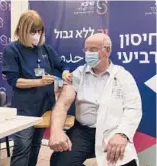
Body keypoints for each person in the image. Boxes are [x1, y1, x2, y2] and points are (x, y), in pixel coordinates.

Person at [49, 33, 142, 166]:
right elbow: (62, 104)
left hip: (113, 131)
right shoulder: (78, 74)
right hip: (83, 131)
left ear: (107, 50)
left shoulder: (123, 77)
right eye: (86, 50)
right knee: (60, 163)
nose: (88, 54)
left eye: (93, 50)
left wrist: (122, 134)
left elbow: (133, 108)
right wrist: (56, 131)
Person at [2, 10, 72, 166]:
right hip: (25, 110)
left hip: (44, 107)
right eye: (33, 31)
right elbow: (14, 81)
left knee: (35, 145)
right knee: (22, 148)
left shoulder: (45, 49)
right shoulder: (12, 50)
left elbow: (62, 64)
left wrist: (66, 71)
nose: (37, 35)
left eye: (39, 31)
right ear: (22, 30)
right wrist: (39, 82)